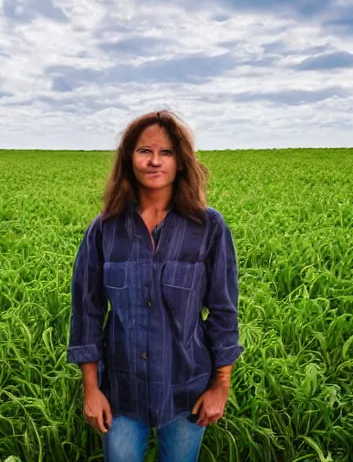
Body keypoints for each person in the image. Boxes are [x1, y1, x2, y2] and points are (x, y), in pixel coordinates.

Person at [67, 110, 244, 461]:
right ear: (129, 159)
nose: (154, 161)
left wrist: (220, 385)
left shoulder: (208, 226)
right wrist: (91, 388)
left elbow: (223, 309)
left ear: (181, 162)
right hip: (121, 390)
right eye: (144, 151)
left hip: (187, 388)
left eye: (166, 152)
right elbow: (87, 310)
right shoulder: (105, 228)